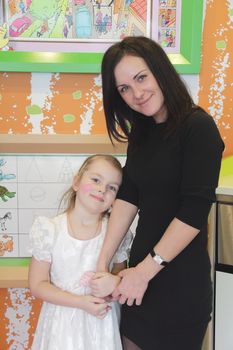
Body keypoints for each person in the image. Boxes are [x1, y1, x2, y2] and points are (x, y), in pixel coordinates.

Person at [91, 36, 225, 350]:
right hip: (138, 283)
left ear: (160, 71)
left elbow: (193, 212)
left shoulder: (199, 128)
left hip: (177, 285)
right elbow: (129, 194)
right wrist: (102, 263)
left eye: (141, 78)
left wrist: (144, 272)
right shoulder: (143, 132)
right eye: (124, 88)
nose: (136, 94)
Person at [28, 154, 132, 350]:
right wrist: (80, 302)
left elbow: (119, 277)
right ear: (76, 182)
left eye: (112, 188)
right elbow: (37, 284)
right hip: (61, 325)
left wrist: (114, 286)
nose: (102, 189)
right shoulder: (49, 229)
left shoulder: (116, 234)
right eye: (96, 180)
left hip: (102, 324)